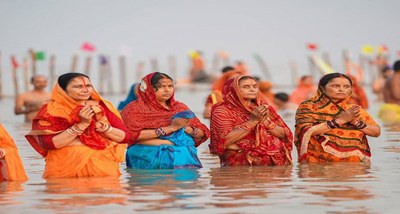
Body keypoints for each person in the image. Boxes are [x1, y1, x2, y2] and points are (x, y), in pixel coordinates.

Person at [25, 72, 130, 178]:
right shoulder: (50, 110)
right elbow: (49, 144)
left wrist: (102, 127)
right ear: (62, 90)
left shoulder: (101, 107)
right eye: (78, 86)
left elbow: (124, 137)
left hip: (103, 167)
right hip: (65, 168)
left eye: (89, 86)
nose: (86, 90)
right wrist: (81, 125)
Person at [121, 72, 210, 169]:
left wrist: (189, 130)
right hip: (147, 158)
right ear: (148, 88)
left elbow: (203, 133)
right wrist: (170, 128)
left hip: (182, 159)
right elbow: (129, 136)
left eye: (170, 86)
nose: (167, 90)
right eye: (161, 86)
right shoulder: (134, 109)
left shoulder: (180, 108)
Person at [295, 73, 381, 163]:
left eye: (346, 86)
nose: (341, 89)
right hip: (319, 167)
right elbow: (306, 131)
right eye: (335, 86)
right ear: (322, 88)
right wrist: (341, 120)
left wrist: (355, 122)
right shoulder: (309, 106)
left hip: (355, 170)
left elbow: (376, 132)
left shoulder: (353, 109)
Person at [209, 75, 293, 166]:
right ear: (234, 89)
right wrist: (252, 121)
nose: (252, 90)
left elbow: (284, 134)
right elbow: (222, 141)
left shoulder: (263, 107)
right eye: (246, 87)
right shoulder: (223, 111)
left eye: (255, 86)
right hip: (240, 164)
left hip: (274, 164)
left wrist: (265, 121)